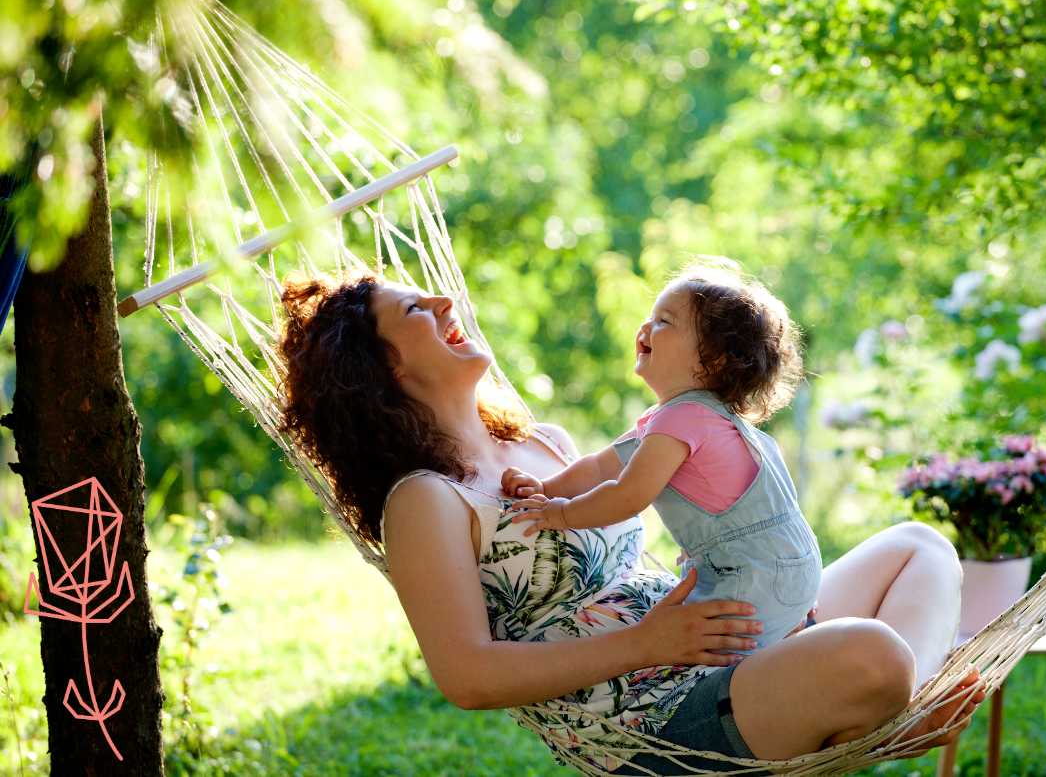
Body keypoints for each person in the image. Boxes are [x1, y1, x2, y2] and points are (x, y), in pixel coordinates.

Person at [275, 269, 985, 775]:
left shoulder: (543, 444)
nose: (442, 298)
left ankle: (904, 705)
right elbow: (469, 677)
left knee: (917, 546)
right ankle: (900, 704)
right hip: (653, 726)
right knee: (871, 653)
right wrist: (648, 640)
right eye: (414, 311)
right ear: (383, 367)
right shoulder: (426, 499)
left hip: (715, 639)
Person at [499, 261, 820, 654]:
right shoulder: (693, 417)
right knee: (710, 636)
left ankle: (782, 676)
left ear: (714, 360)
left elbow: (627, 496)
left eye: (665, 321)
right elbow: (602, 466)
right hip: (782, 565)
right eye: (650, 317)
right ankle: (793, 638)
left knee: (706, 657)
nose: (646, 328)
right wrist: (547, 488)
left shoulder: (682, 418)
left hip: (755, 576)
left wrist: (561, 514)